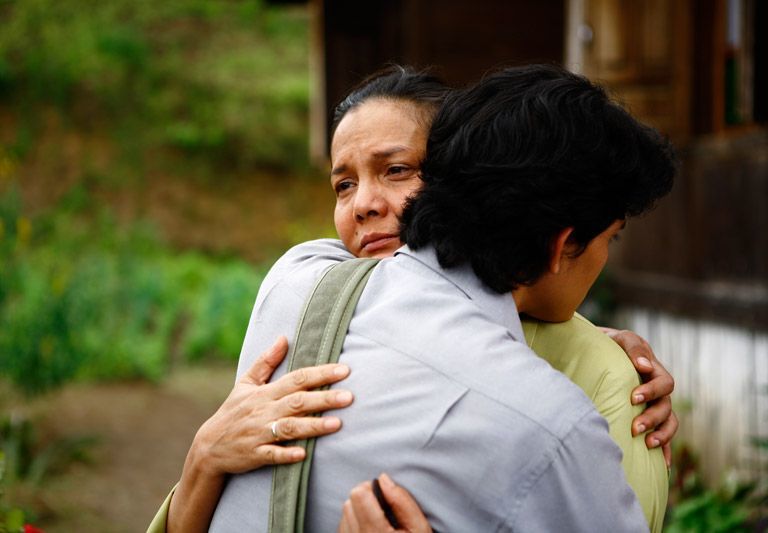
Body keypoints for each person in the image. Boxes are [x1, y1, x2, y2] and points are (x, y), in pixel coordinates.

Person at [148, 65, 677, 532]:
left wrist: (590, 346)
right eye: (342, 185)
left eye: (397, 170)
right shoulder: (313, 281)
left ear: (453, 178)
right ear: (564, 244)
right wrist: (202, 459)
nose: (364, 206)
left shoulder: (297, 278)